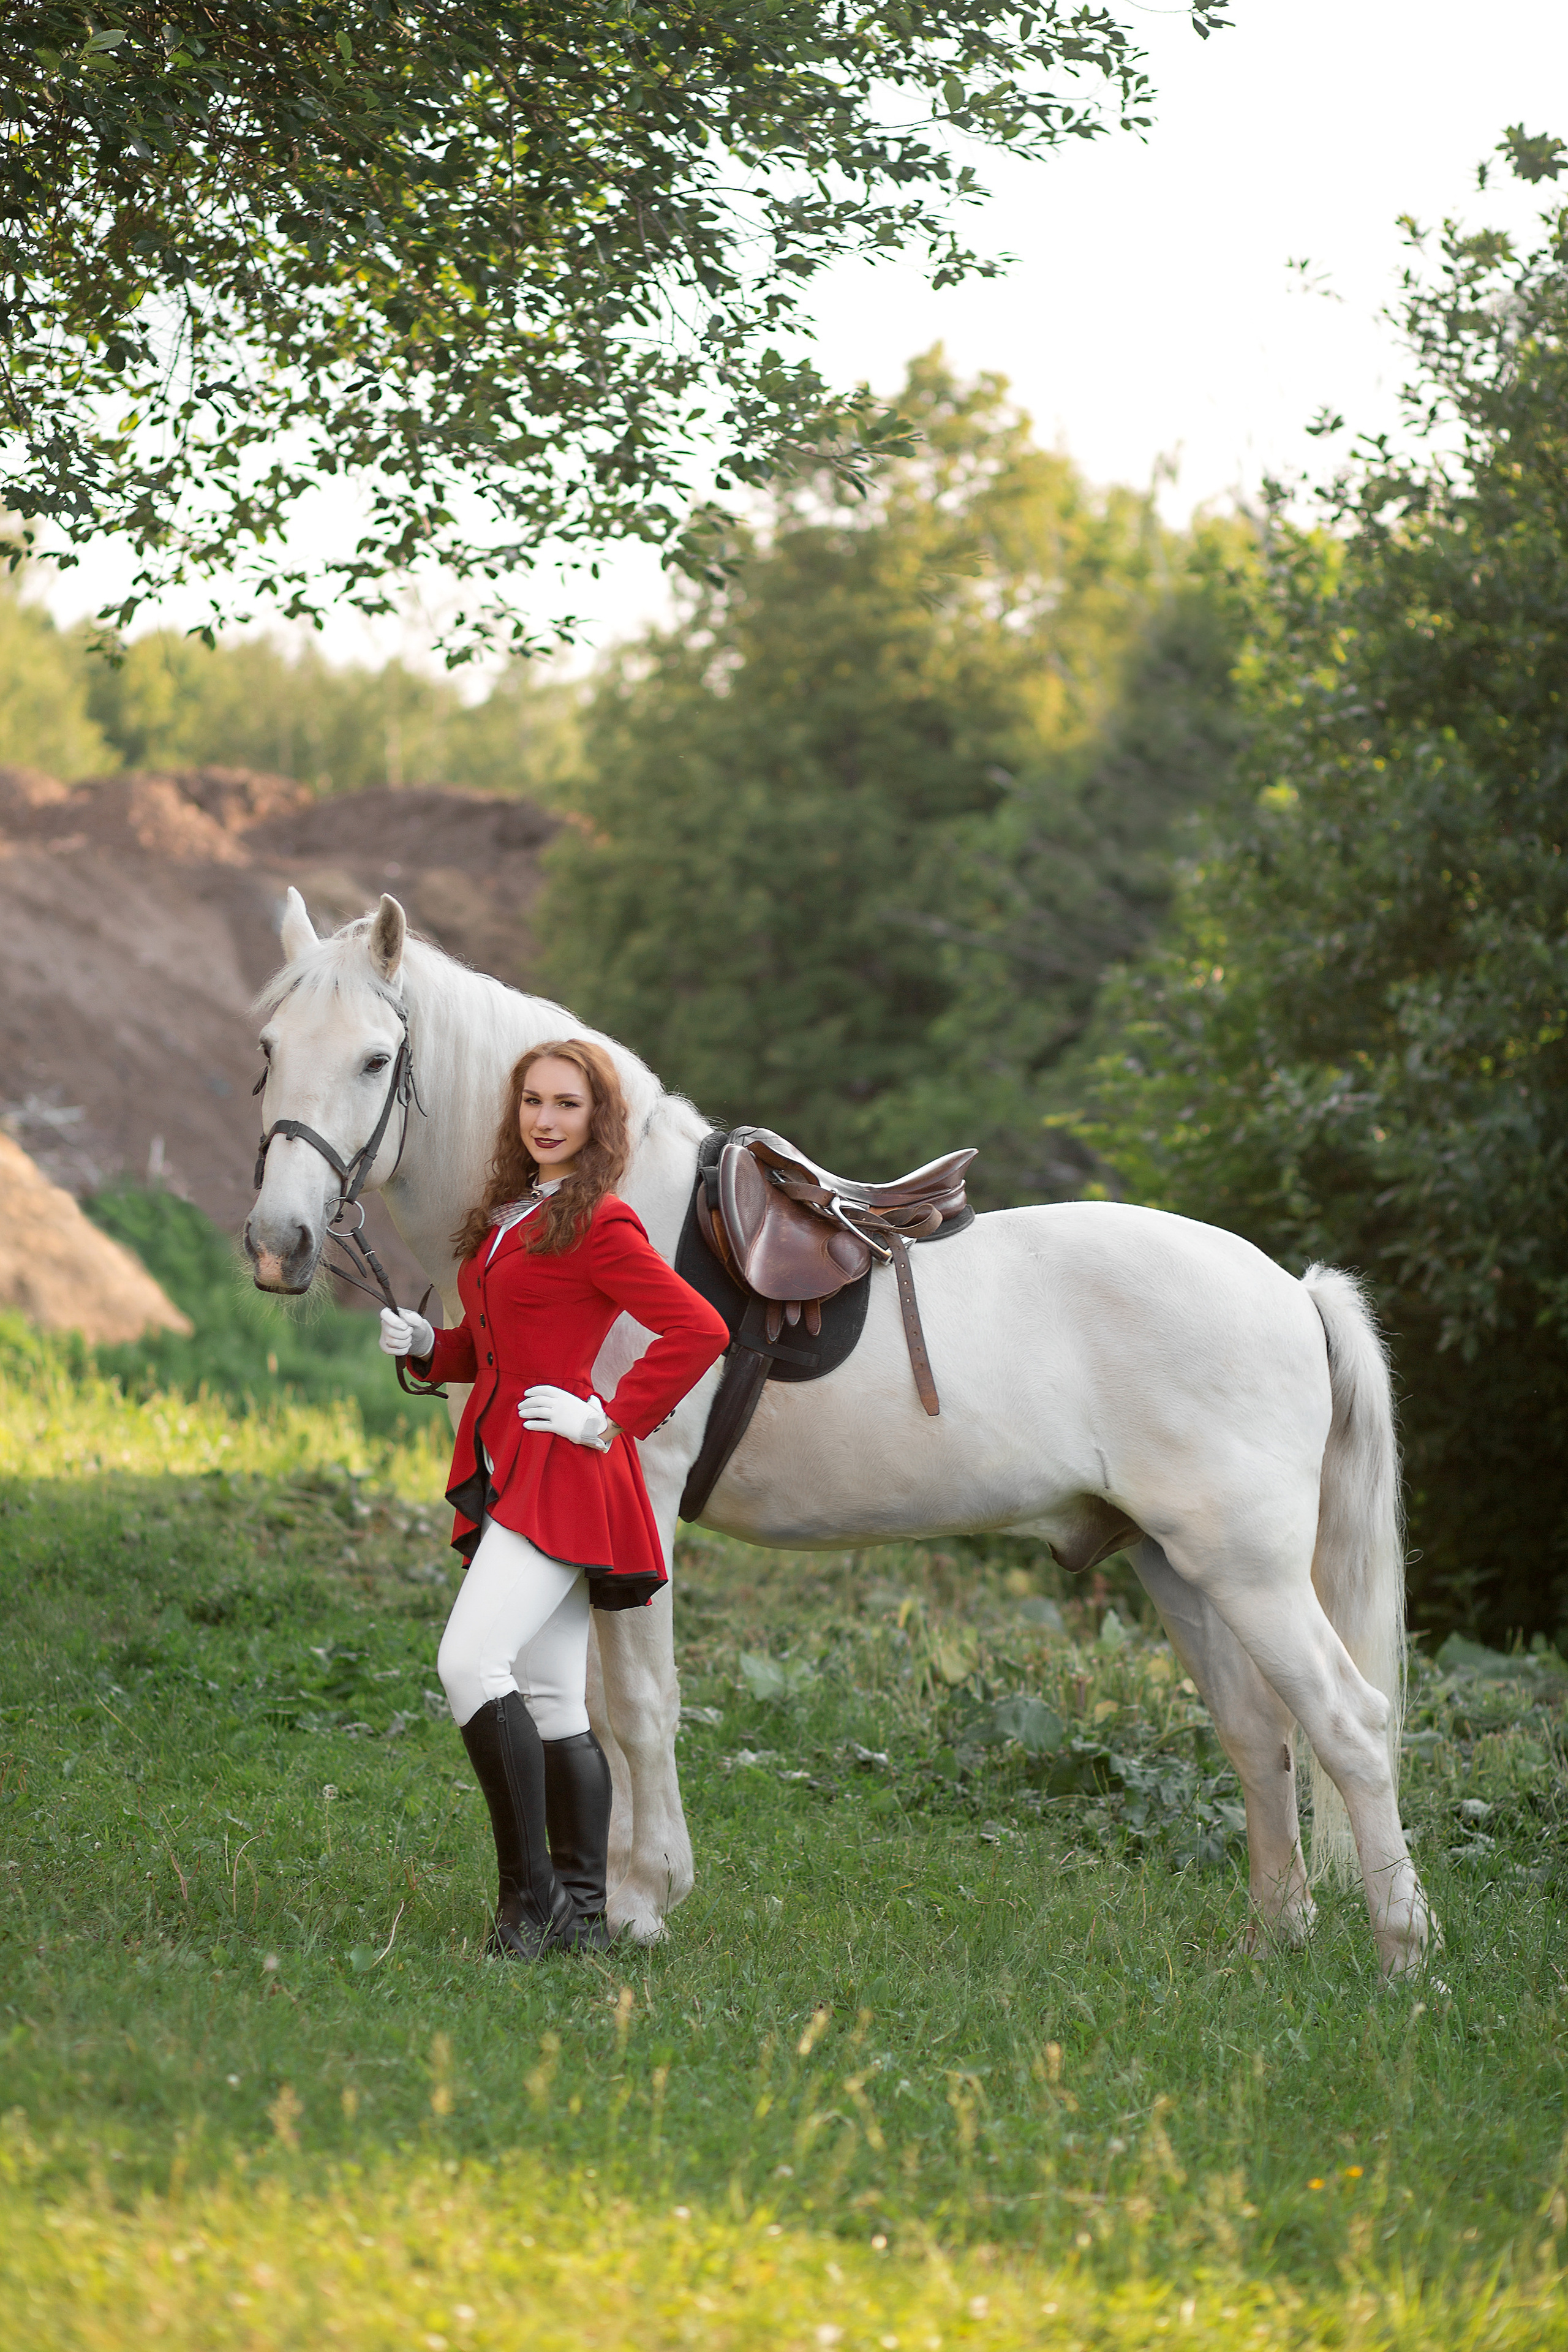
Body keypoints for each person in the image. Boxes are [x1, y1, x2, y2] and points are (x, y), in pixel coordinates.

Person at [379, 1039, 728, 1958]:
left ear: (596, 1121)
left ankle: (527, 1902)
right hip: (507, 1466)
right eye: (532, 1101)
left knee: (468, 1664)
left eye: (566, 1105)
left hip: (562, 1476)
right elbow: (491, 1350)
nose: (544, 1119)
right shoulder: (510, 1216)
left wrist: (608, 1417)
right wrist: (428, 1344)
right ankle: (579, 1914)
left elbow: (701, 1327)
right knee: (549, 1696)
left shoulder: (600, 1224)